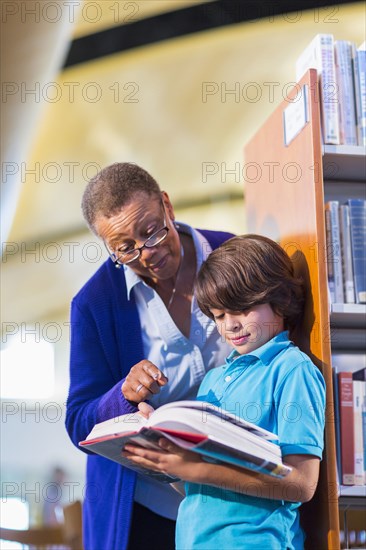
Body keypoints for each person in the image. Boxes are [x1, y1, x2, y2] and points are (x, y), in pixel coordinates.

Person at [65, 162, 234, 550]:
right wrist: (121, 394)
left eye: (152, 230)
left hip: (239, 496)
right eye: (125, 248)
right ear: (109, 248)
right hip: (148, 509)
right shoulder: (94, 304)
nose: (148, 252)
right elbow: (78, 420)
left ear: (167, 205)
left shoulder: (231, 253)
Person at [123, 234, 326, 550]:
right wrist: (165, 458)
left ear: (280, 299)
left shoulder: (292, 369)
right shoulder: (214, 379)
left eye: (242, 310)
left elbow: (302, 484)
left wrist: (198, 468)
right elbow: (202, 485)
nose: (230, 325)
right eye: (218, 316)